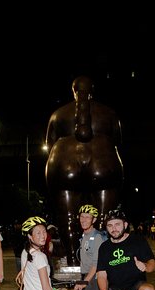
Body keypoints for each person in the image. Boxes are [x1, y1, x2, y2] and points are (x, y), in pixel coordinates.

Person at [44, 75, 124, 266]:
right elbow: (118, 142)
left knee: (67, 215)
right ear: (92, 91)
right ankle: (103, 261)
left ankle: (72, 261)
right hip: (103, 159)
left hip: (64, 160)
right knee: (104, 216)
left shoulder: (58, 114)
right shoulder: (109, 113)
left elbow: (49, 144)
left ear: (74, 91)